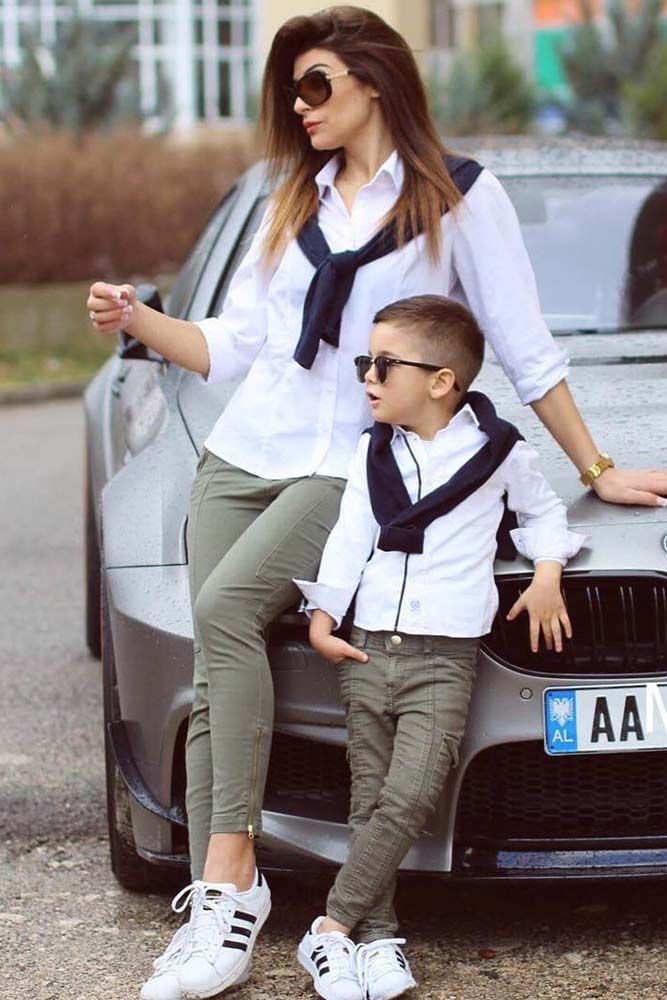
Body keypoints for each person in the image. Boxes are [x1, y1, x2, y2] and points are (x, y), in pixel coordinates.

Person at [84, 7, 667, 1000]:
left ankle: (230, 883)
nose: (298, 108)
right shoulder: (291, 201)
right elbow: (242, 347)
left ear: (374, 81)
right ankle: (218, 911)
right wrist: (142, 317)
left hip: (346, 462)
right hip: (246, 449)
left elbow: (523, 347)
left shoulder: (457, 198)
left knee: (222, 607)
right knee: (223, 647)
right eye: (289, 92)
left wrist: (596, 465)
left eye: (315, 85)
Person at [292, 294, 584, 1000]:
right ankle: (379, 941)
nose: (367, 374)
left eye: (382, 364)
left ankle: (328, 929)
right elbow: (350, 537)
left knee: (411, 794)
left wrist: (546, 575)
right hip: (367, 649)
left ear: (440, 381)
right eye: (366, 360)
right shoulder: (370, 453)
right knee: (369, 799)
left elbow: (543, 514)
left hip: (441, 658)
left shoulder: (498, 450)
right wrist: (323, 616)